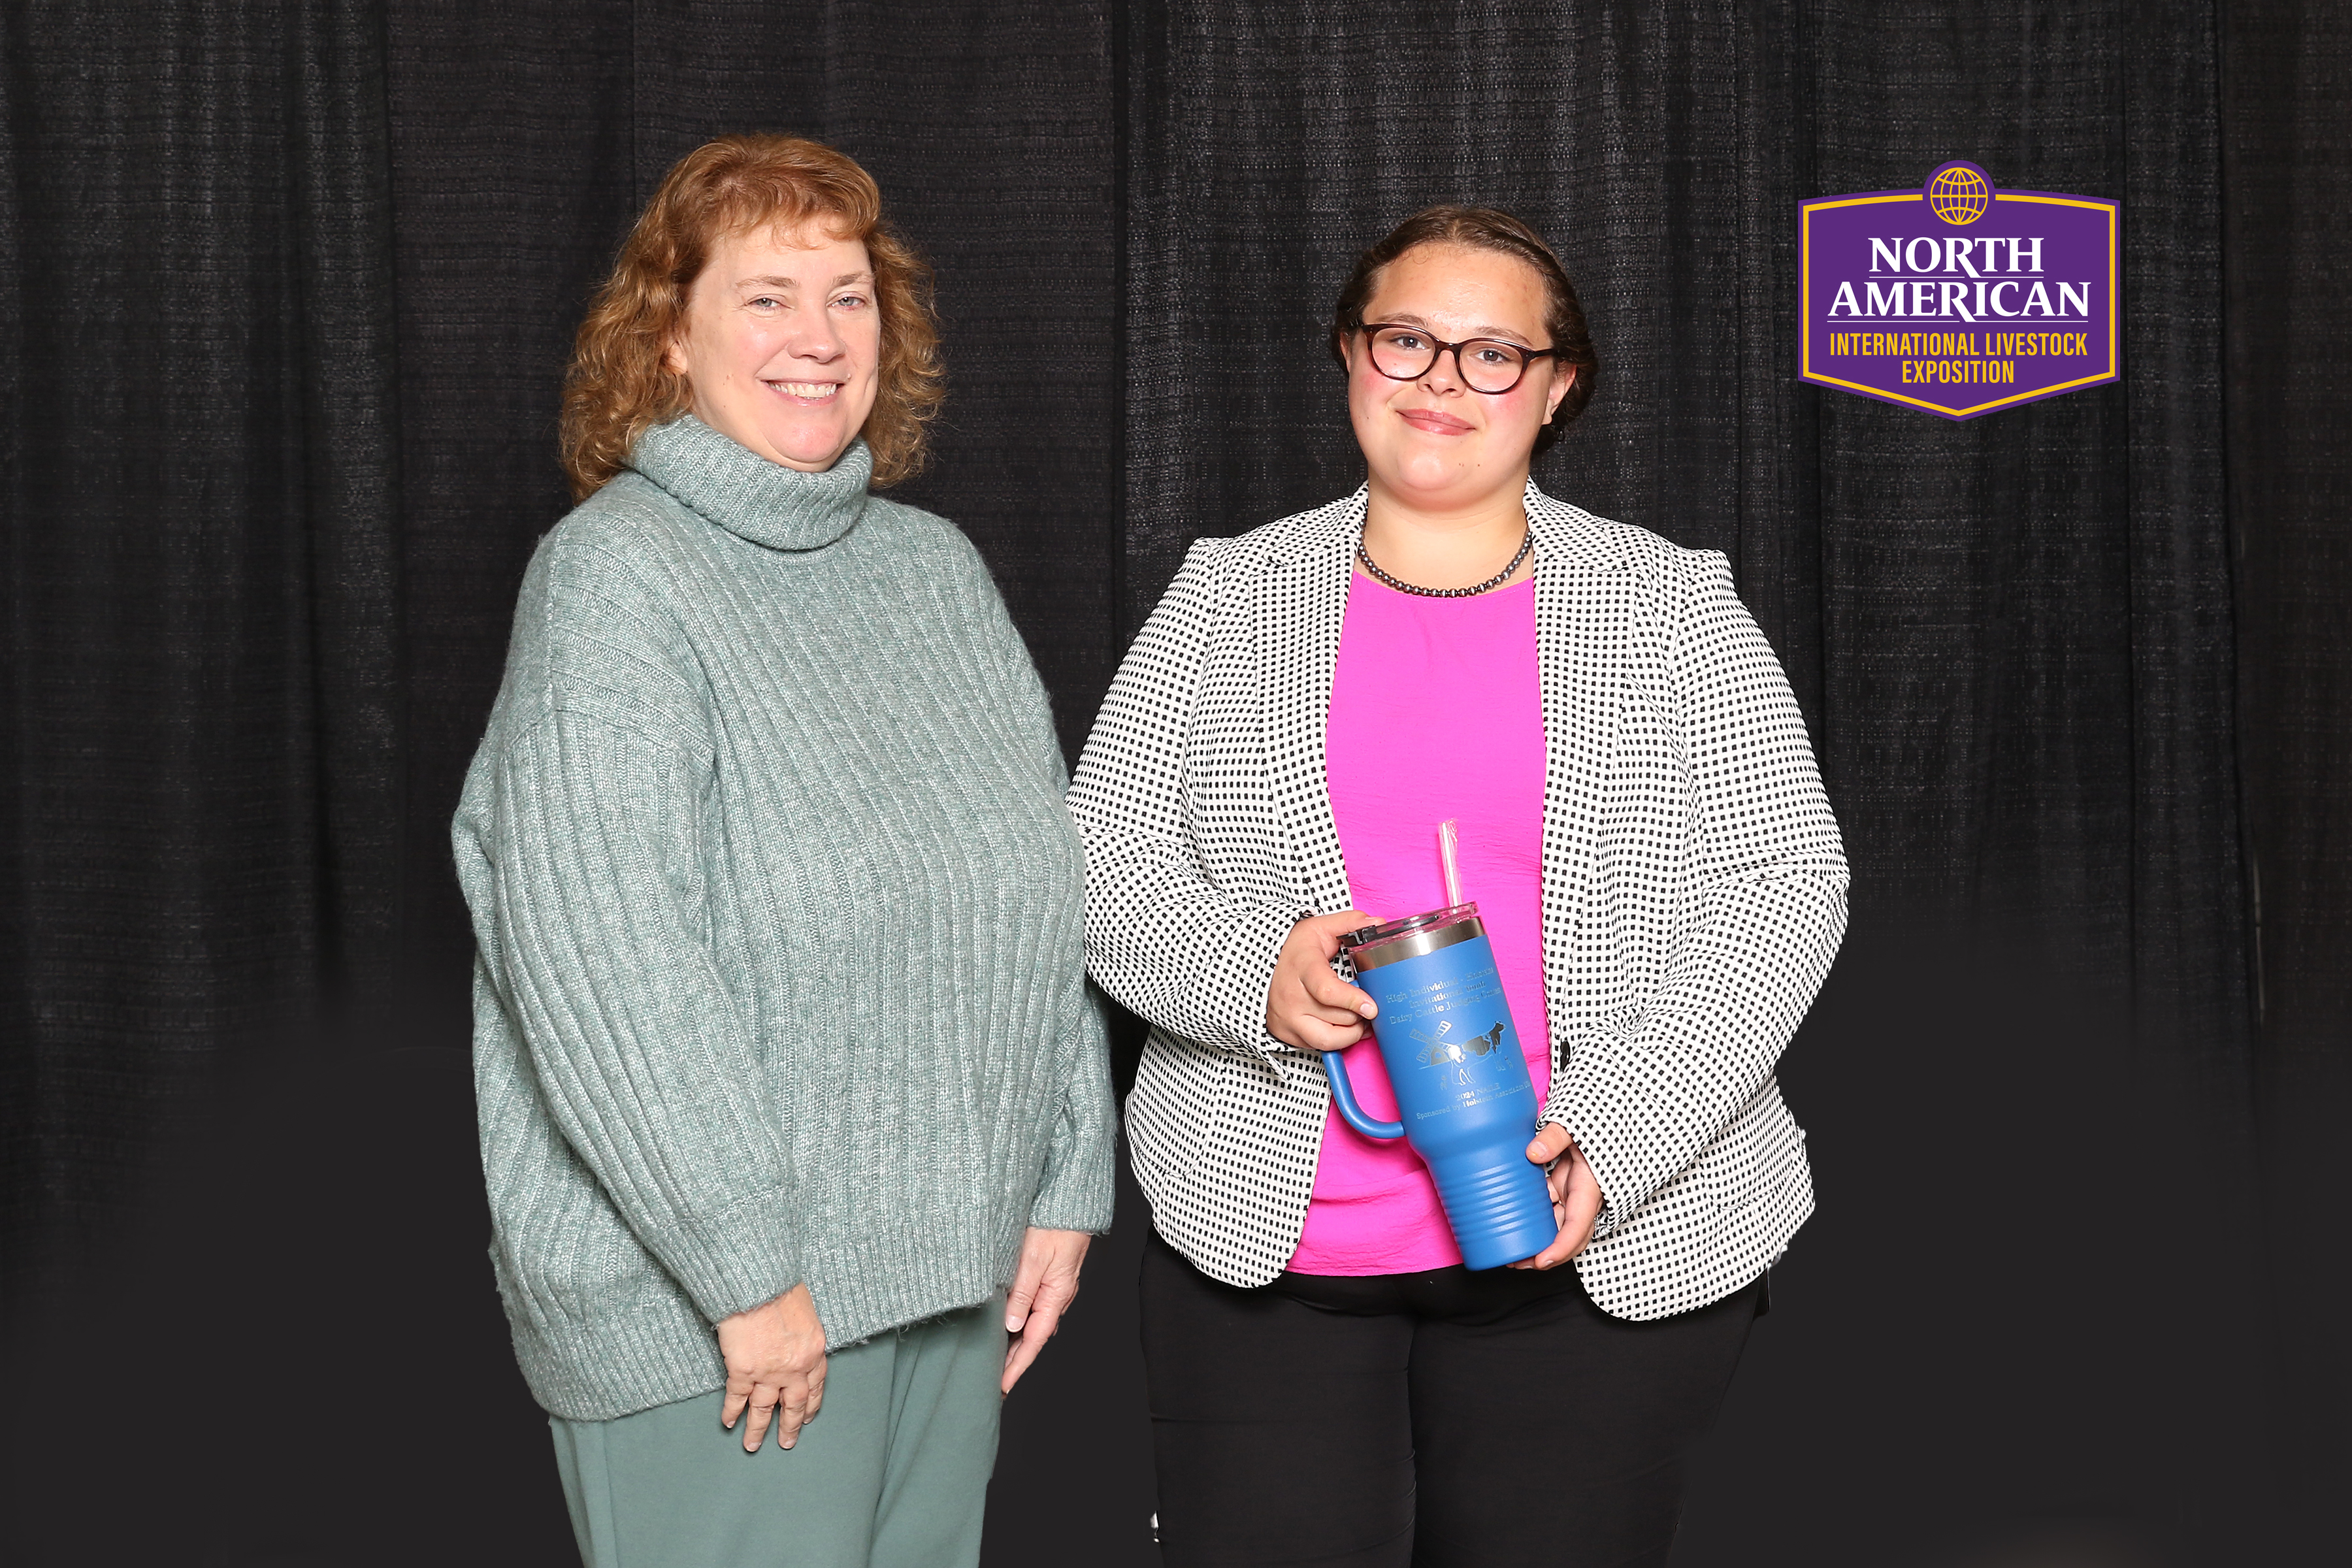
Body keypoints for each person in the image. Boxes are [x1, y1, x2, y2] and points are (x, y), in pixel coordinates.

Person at [1067, 206, 1848, 1568]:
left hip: (1597, 1239)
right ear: (1350, 359)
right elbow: (1098, 864)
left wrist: (1621, 1128)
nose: (1442, 381)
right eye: (1408, 340)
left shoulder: (1671, 604)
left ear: (1557, 389)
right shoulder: (1223, 594)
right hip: (1272, 1238)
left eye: (1494, 354)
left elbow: (1787, 880)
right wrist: (1252, 970)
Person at [451, 135, 1111, 1568]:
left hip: (950, 1277)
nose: (818, 337)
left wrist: (1065, 1177)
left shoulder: (932, 571)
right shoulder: (616, 578)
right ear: (669, 343)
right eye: (765, 296)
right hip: (725, 1318)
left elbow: (1032, 889)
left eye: (849, 294)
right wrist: (746, 1275)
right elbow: (604, 963)